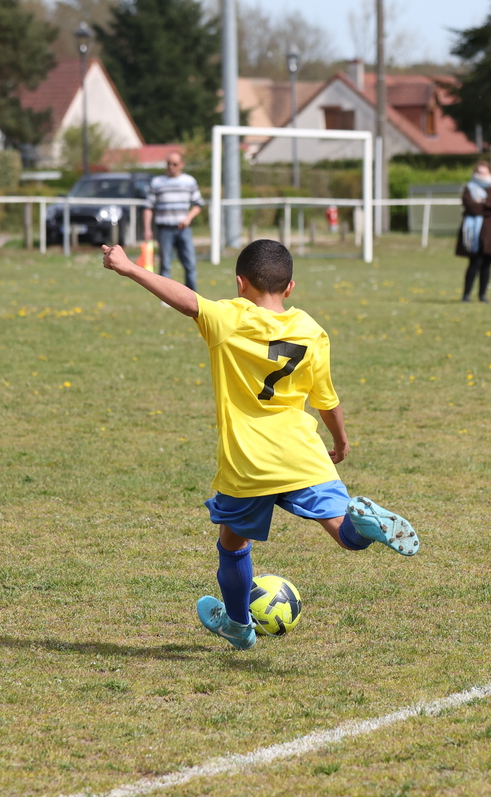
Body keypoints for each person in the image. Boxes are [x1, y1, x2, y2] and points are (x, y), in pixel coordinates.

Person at [99, 237, 420, 650]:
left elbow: (188, 301)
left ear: (240, 283)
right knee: (343, 533)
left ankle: (238, 625)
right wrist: (340, 443)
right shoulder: (311, 330)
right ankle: (363, 526)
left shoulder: (231, 318)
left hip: (249, 462)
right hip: (303, 454)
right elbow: (327, 400)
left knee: (233, 543)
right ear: (290, 287)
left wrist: (129, 267)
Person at [142, 151, 204, 291]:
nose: (171, 167)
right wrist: (147, 228)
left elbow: (198, 204)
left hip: (183, 229)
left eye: (175, 164)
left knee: (190, 264)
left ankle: (192, 296)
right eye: (169, 164)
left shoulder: (189, 181)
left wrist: (188, 218)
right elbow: (148, 207)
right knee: (165, 265)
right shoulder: (157, 182)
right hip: (164, 229)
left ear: (182, 164)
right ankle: (166, 296)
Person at [455, 161, 491, 302]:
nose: (481, 175)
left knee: (487, 265)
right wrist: (487, 206)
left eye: (484, 172)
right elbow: (470, 206)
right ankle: (466, 295)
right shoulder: (469, 188)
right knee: (474, 263)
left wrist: (483, 203)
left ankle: (482, 295)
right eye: (479, 172)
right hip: (474, 234)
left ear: (489, 173)